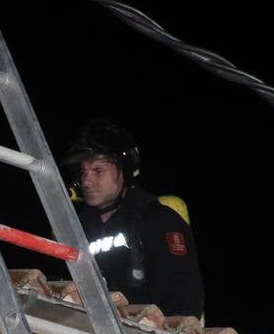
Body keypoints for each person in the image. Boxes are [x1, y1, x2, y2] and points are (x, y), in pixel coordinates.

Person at [60, 119, 204, 318]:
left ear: (125, 169)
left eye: (97, 170)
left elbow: (183, 299)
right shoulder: (76, 228)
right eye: (83, 171)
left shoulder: (159, 221)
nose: (86, 181)